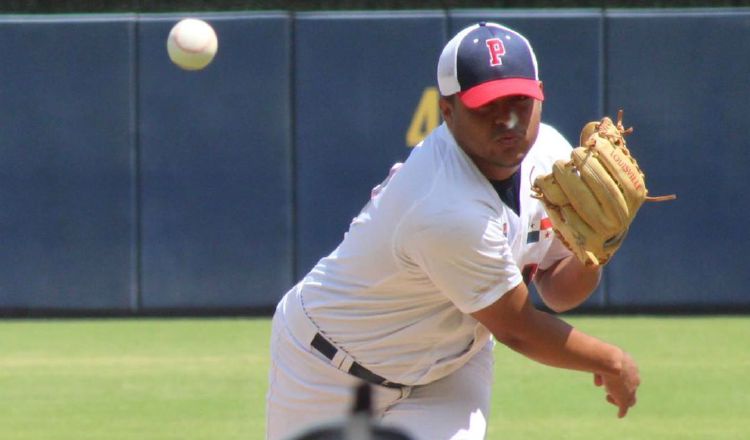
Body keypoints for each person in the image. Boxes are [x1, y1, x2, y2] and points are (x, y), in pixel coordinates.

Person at [266, 22, 640, 440]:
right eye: (488, 105)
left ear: (541, 94)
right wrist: (611, 360)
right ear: (447, 108)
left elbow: (557, 291)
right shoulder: (446, 206)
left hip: (451, 370)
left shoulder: (552, 157)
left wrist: (594, 254)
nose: (508, 119)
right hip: (328, 370)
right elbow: (518, 327)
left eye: (519, 100)